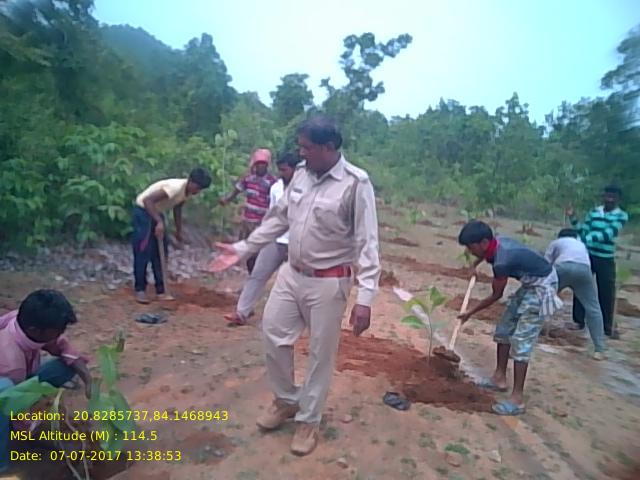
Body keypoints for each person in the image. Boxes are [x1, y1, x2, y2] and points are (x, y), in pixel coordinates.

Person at [209, 116, 380, 455]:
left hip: (329, 282)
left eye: (307, 147)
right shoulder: (301, 174)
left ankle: (308, 420)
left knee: (320, 354)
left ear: (328, 148)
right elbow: (278, 219)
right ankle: (286, 400)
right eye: (300, 146)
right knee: (273, 333)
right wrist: (244, 248)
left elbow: (368, 243)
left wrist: (366, 298)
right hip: (292, 273)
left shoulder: (356, 184)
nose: (301, 153)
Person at [457, 220, 563, 416]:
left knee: (522, 341)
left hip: (542, 287)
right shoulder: (496, 243)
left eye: (471, 248)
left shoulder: (502, 262)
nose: (470, 251)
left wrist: (470, 312)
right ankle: (499, 378)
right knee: (504, 329)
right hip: (530, 284)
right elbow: (484, 255)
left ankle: (517, 400)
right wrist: (474, 265)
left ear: (484, 243)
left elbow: (496, 295)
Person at [0, 290, 91, 472]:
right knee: (6, 396)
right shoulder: (10, 361)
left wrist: (88, 380)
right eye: (56, 331)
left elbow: (62, 346)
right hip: (7, 388)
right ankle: (2, 463)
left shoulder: (22, 321)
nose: (60, 334)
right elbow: (17, 407)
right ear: (35, 331)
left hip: (20, 379)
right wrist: (51, 432)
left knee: (65, 366)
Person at [224, 152, 301, 326]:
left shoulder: (307, 189)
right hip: (276, 239)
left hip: (297, 242)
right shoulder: (276, 188)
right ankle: (242, 312)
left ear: (295, 170)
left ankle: (295, 317)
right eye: (280, 170)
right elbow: (273, 217)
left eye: (285, 170)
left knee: (297, 281)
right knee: (257, 274)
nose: (282, 173)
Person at [132, 167, 212, 304]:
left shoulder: (186, 192)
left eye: (200, 189)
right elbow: (147, 201)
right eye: (197, 188)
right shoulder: (174, 188)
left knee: (160, 253)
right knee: (143, 251)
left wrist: (178, 231)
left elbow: (177, 208)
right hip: (144, 212)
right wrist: (159, 222)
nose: (197, 192)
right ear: (191, 181)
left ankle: (161, 290)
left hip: (156, 212)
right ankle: (140, 289)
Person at [567, 185, 629, 338]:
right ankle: (578, 321)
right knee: (580, 286)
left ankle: (607, 326)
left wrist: (584, 239)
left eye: (613, 197)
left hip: (606, 257)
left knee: (606, 292)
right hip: (588, 255)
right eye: (607, 196)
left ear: (618, 199)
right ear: (603, 196)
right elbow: (584, 230)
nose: (609, 199)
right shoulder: (594, 212)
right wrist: (573, 219)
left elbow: (608, 234)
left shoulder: (621, 216)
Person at [545, 229, 606, 359]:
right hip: (584, 271)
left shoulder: (556, 242)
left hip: (563, 266)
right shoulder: (581, 245)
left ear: (559, 236)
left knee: (545, 297)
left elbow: (546, 265)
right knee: (593, 308)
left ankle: (539, 331)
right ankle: (599, 349)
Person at [219, 149, 277, 273]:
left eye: (263, 164)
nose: (260, 166)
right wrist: (227, 200)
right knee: (248, 249)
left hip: (262, 222)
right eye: (258, 164)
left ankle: (257, 273)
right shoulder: (248, 179)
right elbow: (237, 190)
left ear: (267, 165)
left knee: (258, 250)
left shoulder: (272, 182)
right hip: (248, 220)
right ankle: (252, 273)